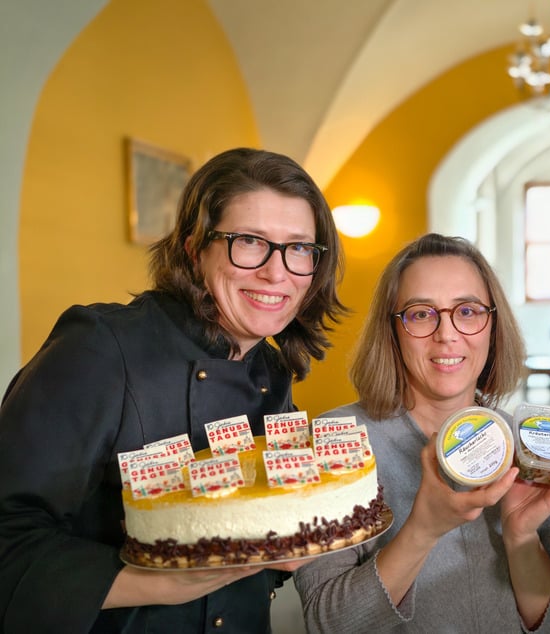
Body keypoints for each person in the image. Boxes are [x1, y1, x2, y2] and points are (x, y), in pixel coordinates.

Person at [0, 147, 346, 633]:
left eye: (300, 248)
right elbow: (9, 535)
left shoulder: (271, 369)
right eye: (250, 241)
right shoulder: (100, 349)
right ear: (193, 249)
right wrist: (159, 583)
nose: (277, 271)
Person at [293, 233, 550, 633]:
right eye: (421, 314)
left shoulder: (528, 445)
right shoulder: (332, 441)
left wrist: (521, 536)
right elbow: (328, 623)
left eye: (467, 311)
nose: (447, 334)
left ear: (492, 325)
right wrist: (423, 529)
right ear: (392, 330)